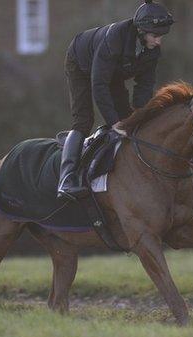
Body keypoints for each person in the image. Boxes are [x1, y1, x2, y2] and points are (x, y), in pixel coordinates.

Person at [57, 0, 174, 201]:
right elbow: (99, 85)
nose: (158, 41)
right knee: (84, 120)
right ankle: (66, 179)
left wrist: (139, 115)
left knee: (128, 118)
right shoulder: (114, 40)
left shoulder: (152, 50)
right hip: (81, 64)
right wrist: (113, 122)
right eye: (155, 36)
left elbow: (144, 86)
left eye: (161, 36)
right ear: (141, 31)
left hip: (112, 72)